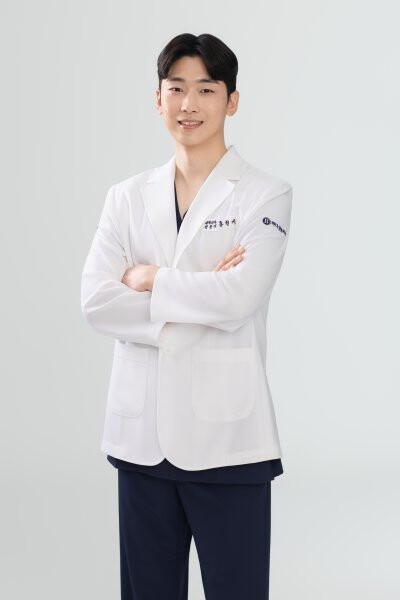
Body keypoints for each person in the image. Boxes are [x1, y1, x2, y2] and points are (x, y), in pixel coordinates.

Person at [81, 32, 293, 600]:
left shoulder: (264, 195)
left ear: (232, 101)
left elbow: (240, 298)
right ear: (158, 99)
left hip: (228, 439)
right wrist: (203, 293)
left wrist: (151, 278)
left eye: (206, 88)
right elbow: (97, 302)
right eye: (176, 89)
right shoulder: (125, 197)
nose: (188, 104)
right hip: (141, 440)